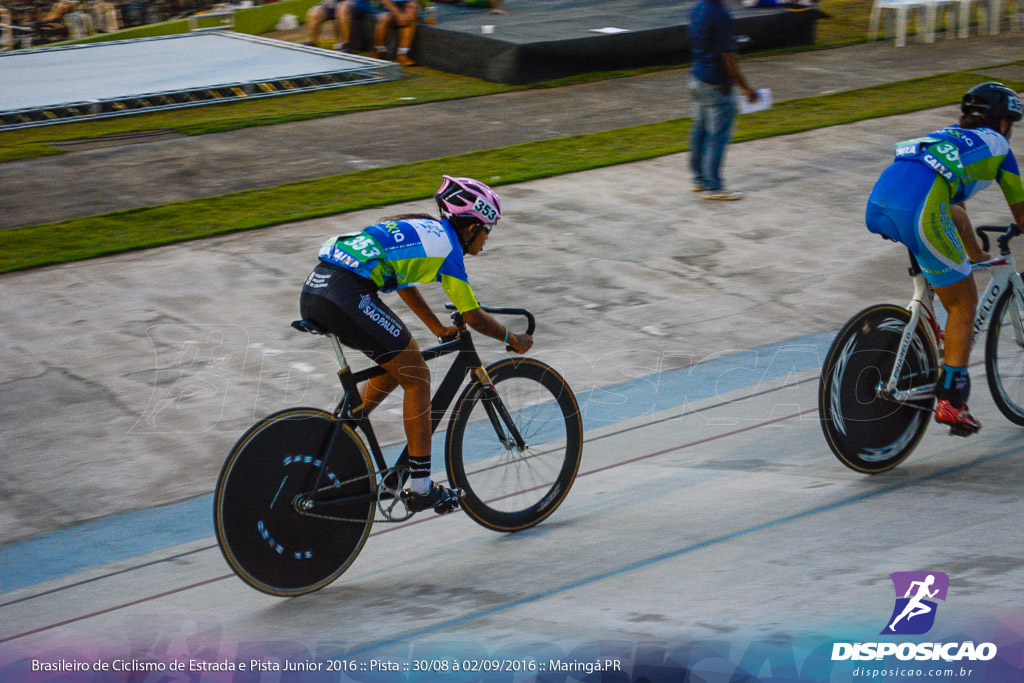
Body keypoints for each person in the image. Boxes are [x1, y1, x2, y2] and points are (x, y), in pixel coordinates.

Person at [299, 176, 533, 513]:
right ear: (470, 227)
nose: (486, 239)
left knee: (401, 364)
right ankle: (422, 488)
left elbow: (404, 282)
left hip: (319, 288)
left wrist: (436, 326)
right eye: (487, 230)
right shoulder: (450, 250)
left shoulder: (425, 233)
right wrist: (513, 339)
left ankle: (344, 434)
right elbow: (474, 317)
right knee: (418, 376)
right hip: (345, 293)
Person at [865, 82, 1024, 435]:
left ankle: (923, 341)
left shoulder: (947, 136)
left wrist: (977, 255)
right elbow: (1022, 216)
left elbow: (954, 208)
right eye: (1011, 123)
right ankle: (953, 403)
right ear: (1002, 123)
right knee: (964, 303)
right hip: (921, 209)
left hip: (881, 202)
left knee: (946, 274)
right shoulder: (1000, 148)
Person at [687, 0, 758, 201]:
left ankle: (699, 179)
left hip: (697, 78)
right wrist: (745, 88)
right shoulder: (721, 15)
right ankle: (714, 187)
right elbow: (727, 57)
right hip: (717, 85)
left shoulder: (698, 8)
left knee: (699, 132)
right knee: (717, 137)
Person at [375, 0, 418, 65]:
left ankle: (402, 54)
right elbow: (385, 2)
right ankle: (380, 51)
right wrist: (399, 14)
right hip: (387, 9)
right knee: (384, 19)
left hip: (404, 9)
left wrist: (411, 10)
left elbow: (412, 2)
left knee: (410, 19)